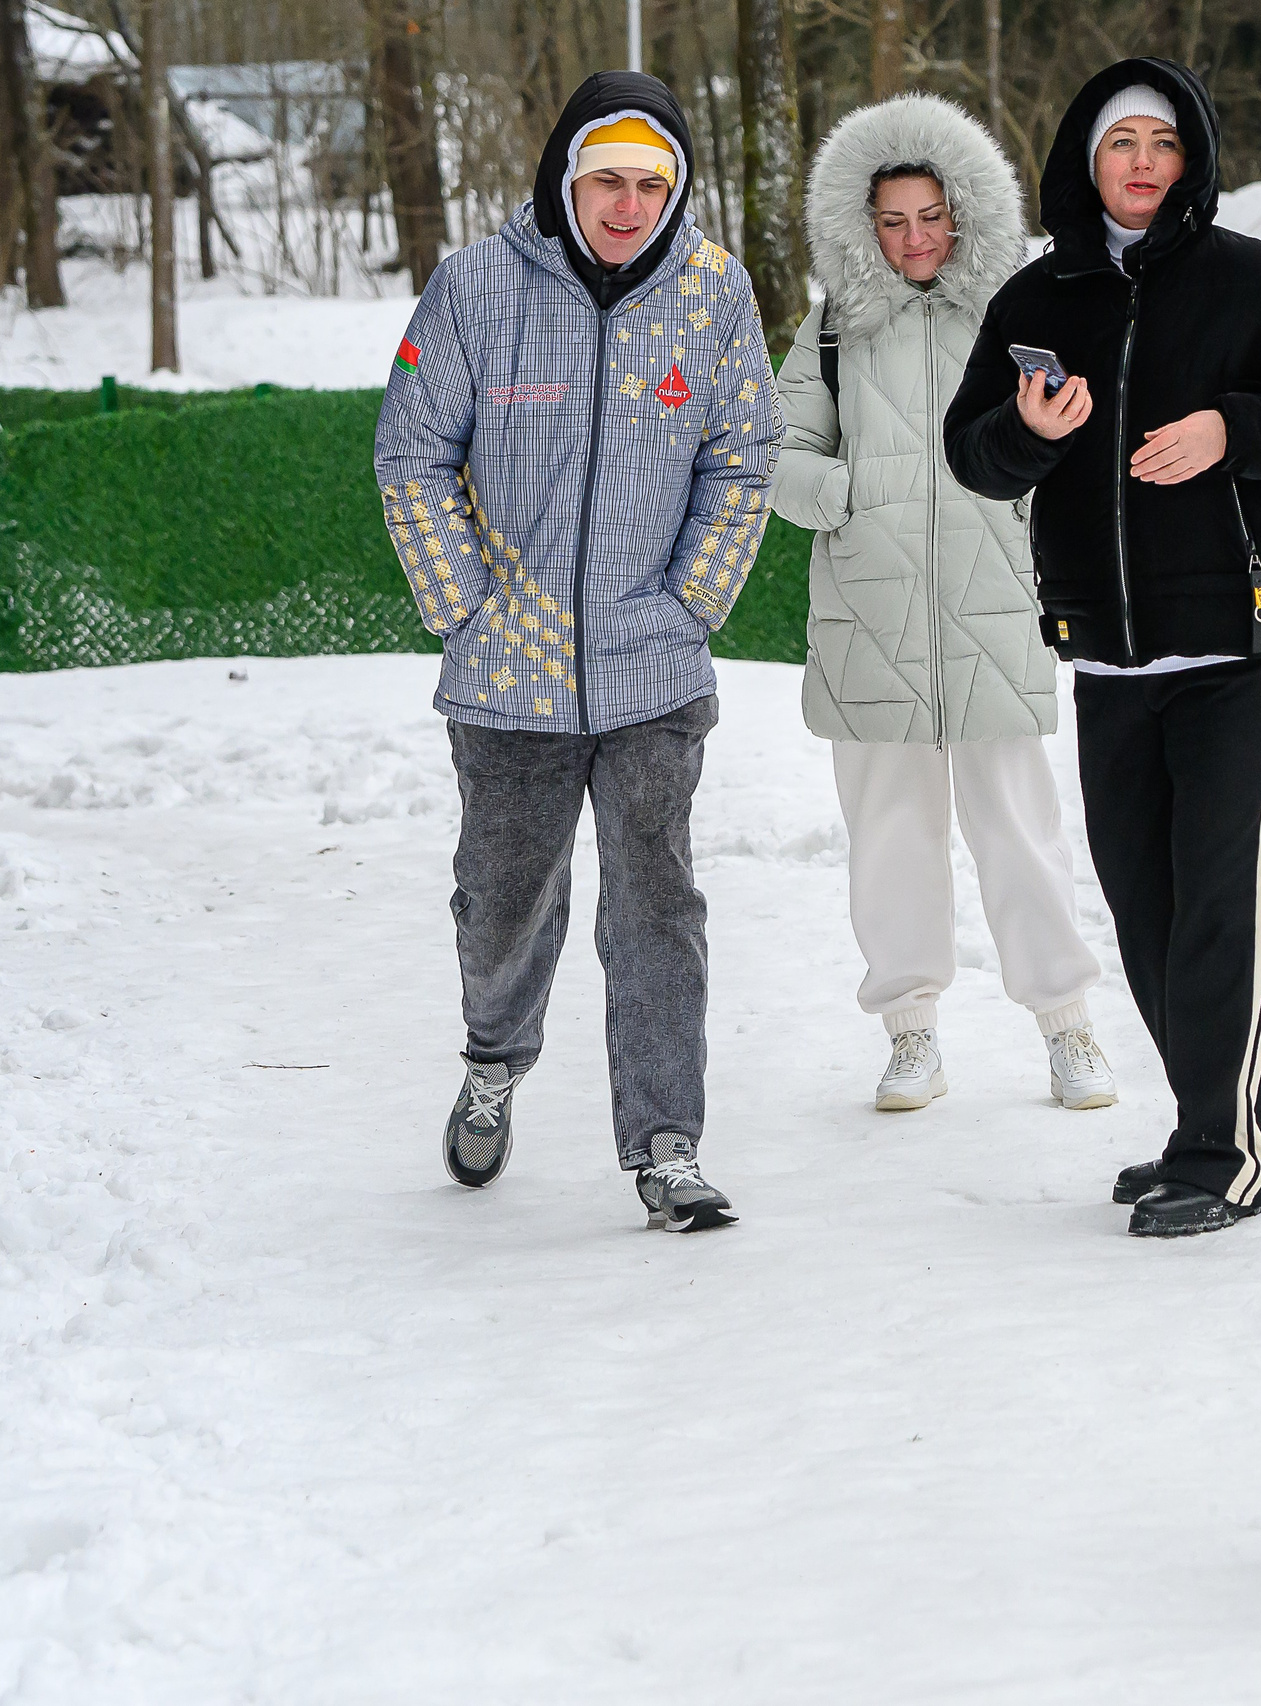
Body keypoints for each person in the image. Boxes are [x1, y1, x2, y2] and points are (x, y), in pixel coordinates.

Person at [944, 60, 1261, 1238]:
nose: (1142, 163)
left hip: (1239, 649)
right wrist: (1026, 430)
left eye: (1162, 143)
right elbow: (969, 452)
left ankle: (1223, 1148)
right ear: (1084, 162)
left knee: (1224, 915)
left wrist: (1232, 430)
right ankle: (1245, 1119)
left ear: (1189, 160)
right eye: (1120, 143)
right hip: (1105, 655)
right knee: (1147, 918)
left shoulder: (1257, 283)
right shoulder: (1037, 298)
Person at [374, 71, 780, 1232]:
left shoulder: (713, 291)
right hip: (508, 674)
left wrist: (690, 602)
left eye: (652, 183)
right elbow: (411, 453)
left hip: (654, 669)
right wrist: (466, 609)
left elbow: (744, 455)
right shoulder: (475, 287)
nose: (628, 204)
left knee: (656, 906)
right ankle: (492, 1061)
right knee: (503, 902)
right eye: (608, 178)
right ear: (565, 177)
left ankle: (666, 1145)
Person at [772, 94, 1117, 1115]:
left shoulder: (1020, 317)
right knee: (889, 838)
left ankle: (1067, 1025)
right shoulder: (832, 328)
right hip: (870, 622)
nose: (915, 237)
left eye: (931, 215)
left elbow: (1071, 443)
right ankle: (909, 1031)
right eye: (893, 220)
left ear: (964, 212)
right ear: (862, 225)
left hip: (995, 610)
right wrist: (847, 495)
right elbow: (776, 456)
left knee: (1021, 832)